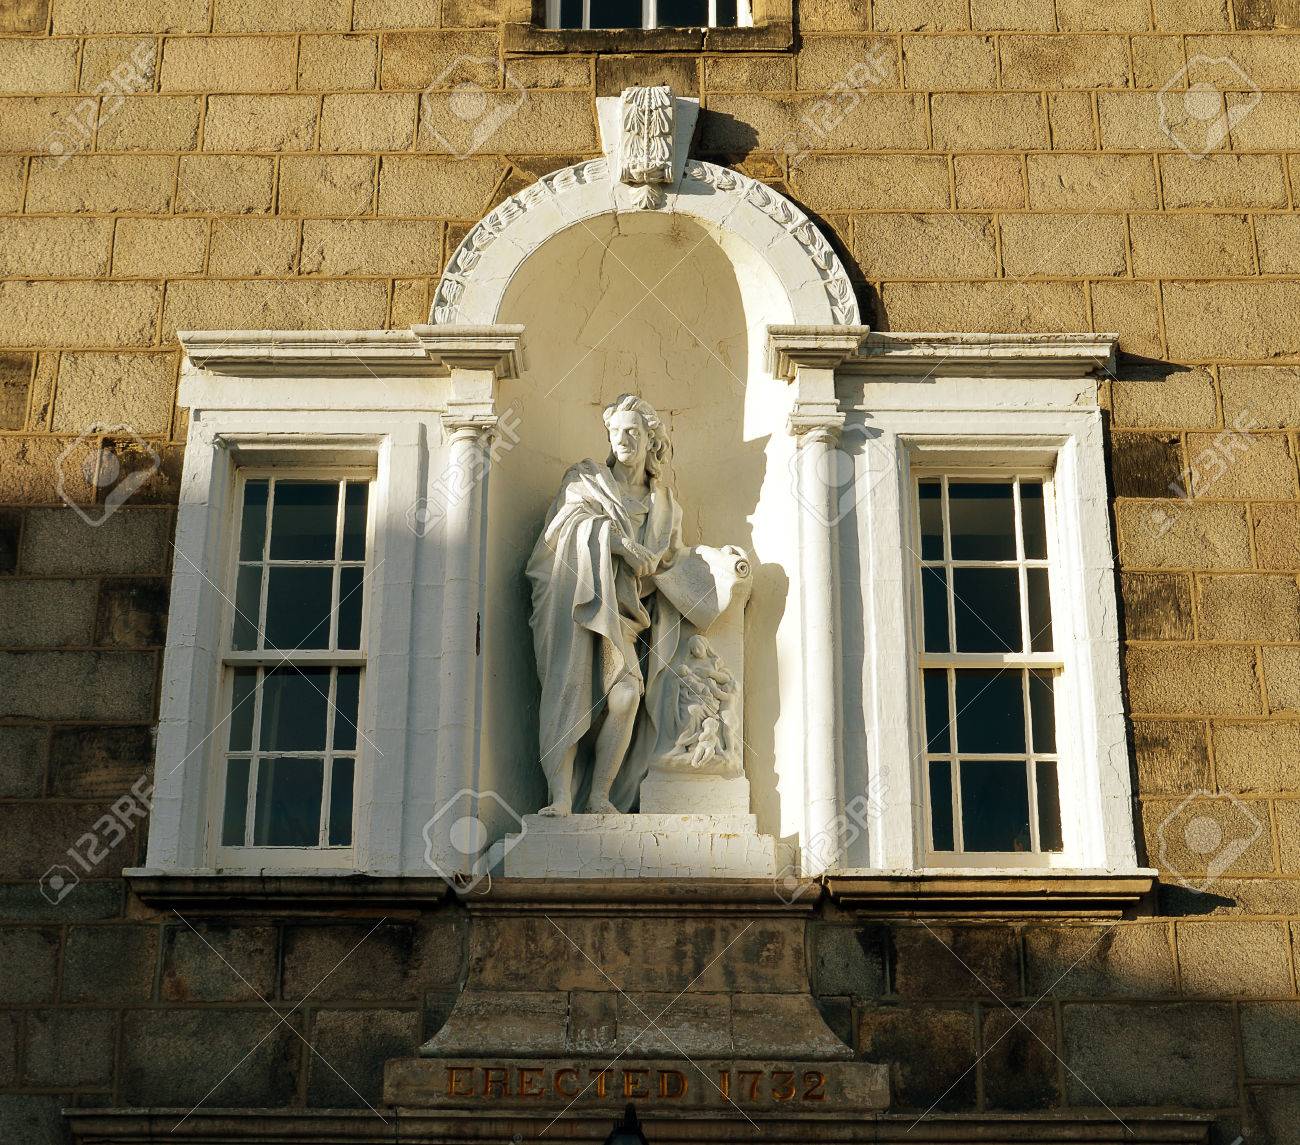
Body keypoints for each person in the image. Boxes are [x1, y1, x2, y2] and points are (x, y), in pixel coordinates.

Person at [526, 394, 684, 814]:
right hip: (574, 601)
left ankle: (599, 796)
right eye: (616, 431)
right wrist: (619, 545)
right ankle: (560, 797)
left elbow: (670, 563)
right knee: (568, 689)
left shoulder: (665, 507)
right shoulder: (584, 480)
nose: (624, 439)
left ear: (652, 440)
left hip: (626, 613)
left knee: (627, 696)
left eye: (634, 431)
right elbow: (562, 533)